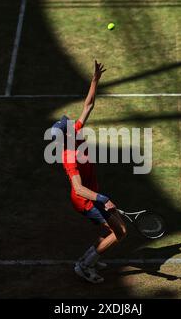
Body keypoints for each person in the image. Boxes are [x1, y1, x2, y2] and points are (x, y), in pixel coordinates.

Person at [51, 61, 127, 284]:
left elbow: (88, 105)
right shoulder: (69, 157)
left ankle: (91, 257)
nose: (72, 122)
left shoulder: (73, 132)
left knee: (109, 228)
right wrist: (103, 199)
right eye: (68, 124)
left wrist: (95, 79)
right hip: (85, 200)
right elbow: (77, 188)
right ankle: (84, 266)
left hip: (91, 195)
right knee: (120, 231)